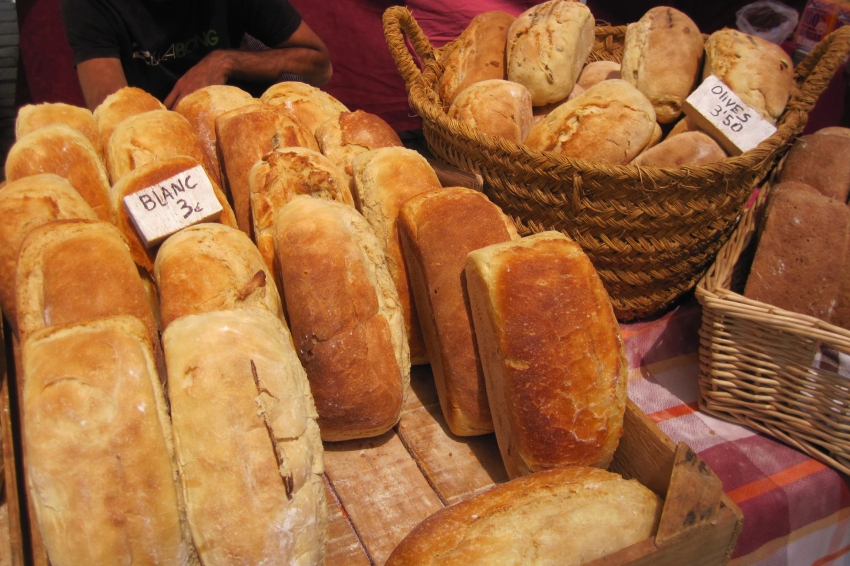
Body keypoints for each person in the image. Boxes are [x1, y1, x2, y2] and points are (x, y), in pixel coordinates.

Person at [61, 0, 332, 110]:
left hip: (242, 122)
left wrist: (227, 61)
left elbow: (321, 66)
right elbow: (113, 117)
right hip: (155, 139)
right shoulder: (89, 5)